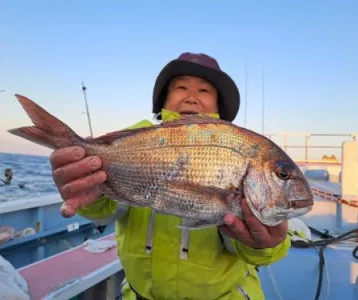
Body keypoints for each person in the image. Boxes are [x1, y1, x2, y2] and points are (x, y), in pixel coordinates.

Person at [49, 52, 291, 300]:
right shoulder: (136, 139)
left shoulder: (241, 150)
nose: (191, 97)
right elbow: (107, 210)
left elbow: (256, 250)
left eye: (205, 91)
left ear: (220, 107)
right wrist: (91, 195)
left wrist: (264, 245)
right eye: (181, 87)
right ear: (163, 99)